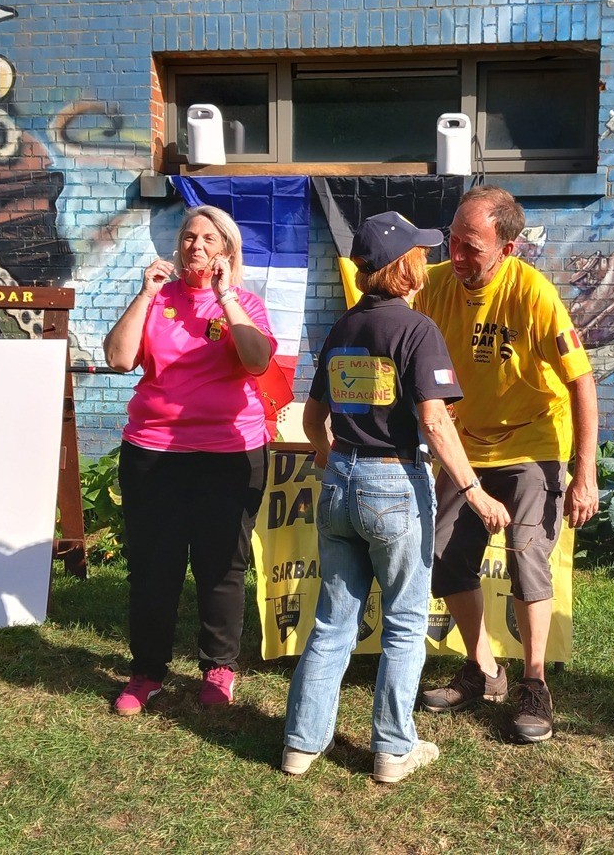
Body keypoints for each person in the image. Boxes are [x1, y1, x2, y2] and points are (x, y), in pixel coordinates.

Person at [281, 212, 511, 783]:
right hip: (394, 484)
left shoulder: (342, 328)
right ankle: (392, 750)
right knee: (405, 623)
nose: (430, 261)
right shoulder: (417, 330)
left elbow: (313, 417)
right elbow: (435, 422)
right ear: (404, 268)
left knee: (332, 621)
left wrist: (329, 455)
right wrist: (474, 491)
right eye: (421, 254)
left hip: (341, 482)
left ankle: (300, 746)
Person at [415, 185, 599, 744]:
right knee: (443, 557)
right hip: (466, 445)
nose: (457, 255)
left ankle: (534, 682)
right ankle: (482, 669)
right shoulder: (435, 285)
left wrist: (585, 473)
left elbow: (582, 382)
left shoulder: (534, 293)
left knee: (526, 555)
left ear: (507, 249)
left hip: (532, 441)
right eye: (452, 241)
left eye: (471, 247)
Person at [103, 204, 276, 715]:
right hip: (154, 453)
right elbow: (118, 358)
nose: (195, 246)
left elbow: (257, 361)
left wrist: (225, 297)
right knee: (153, 566)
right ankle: (147, 672)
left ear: (227, 251)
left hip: (230, 454)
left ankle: (219, 667)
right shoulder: (158, 299)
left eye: (208, 239)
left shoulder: (245, 304)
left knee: (221, 565)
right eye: (188, 237)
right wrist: (145, 294)